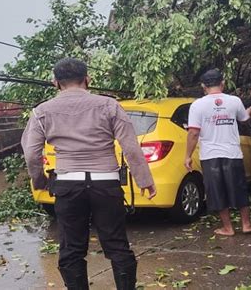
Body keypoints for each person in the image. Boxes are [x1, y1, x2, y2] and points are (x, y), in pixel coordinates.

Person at [21, 58, 156, 290]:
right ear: (87, 79)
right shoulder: (109, 105)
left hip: (67, 185)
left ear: (56, 83)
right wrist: (144, 180)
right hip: (106, 184)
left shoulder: (42, 111)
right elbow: (130, 146)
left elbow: (31, 154)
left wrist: (40, 181)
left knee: (71, 249)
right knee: (117, 245)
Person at [185, 69, 251, 236]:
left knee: (216, 191)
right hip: (232, 153)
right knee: (239, 189)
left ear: (203, 86)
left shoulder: (197, 105)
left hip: (210, 155)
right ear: (223, 83)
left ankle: (228, 228)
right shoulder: (234, 101)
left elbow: (193, 133)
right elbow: (244, 119)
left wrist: (187, 156)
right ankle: (246, 224)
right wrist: (248, 113)